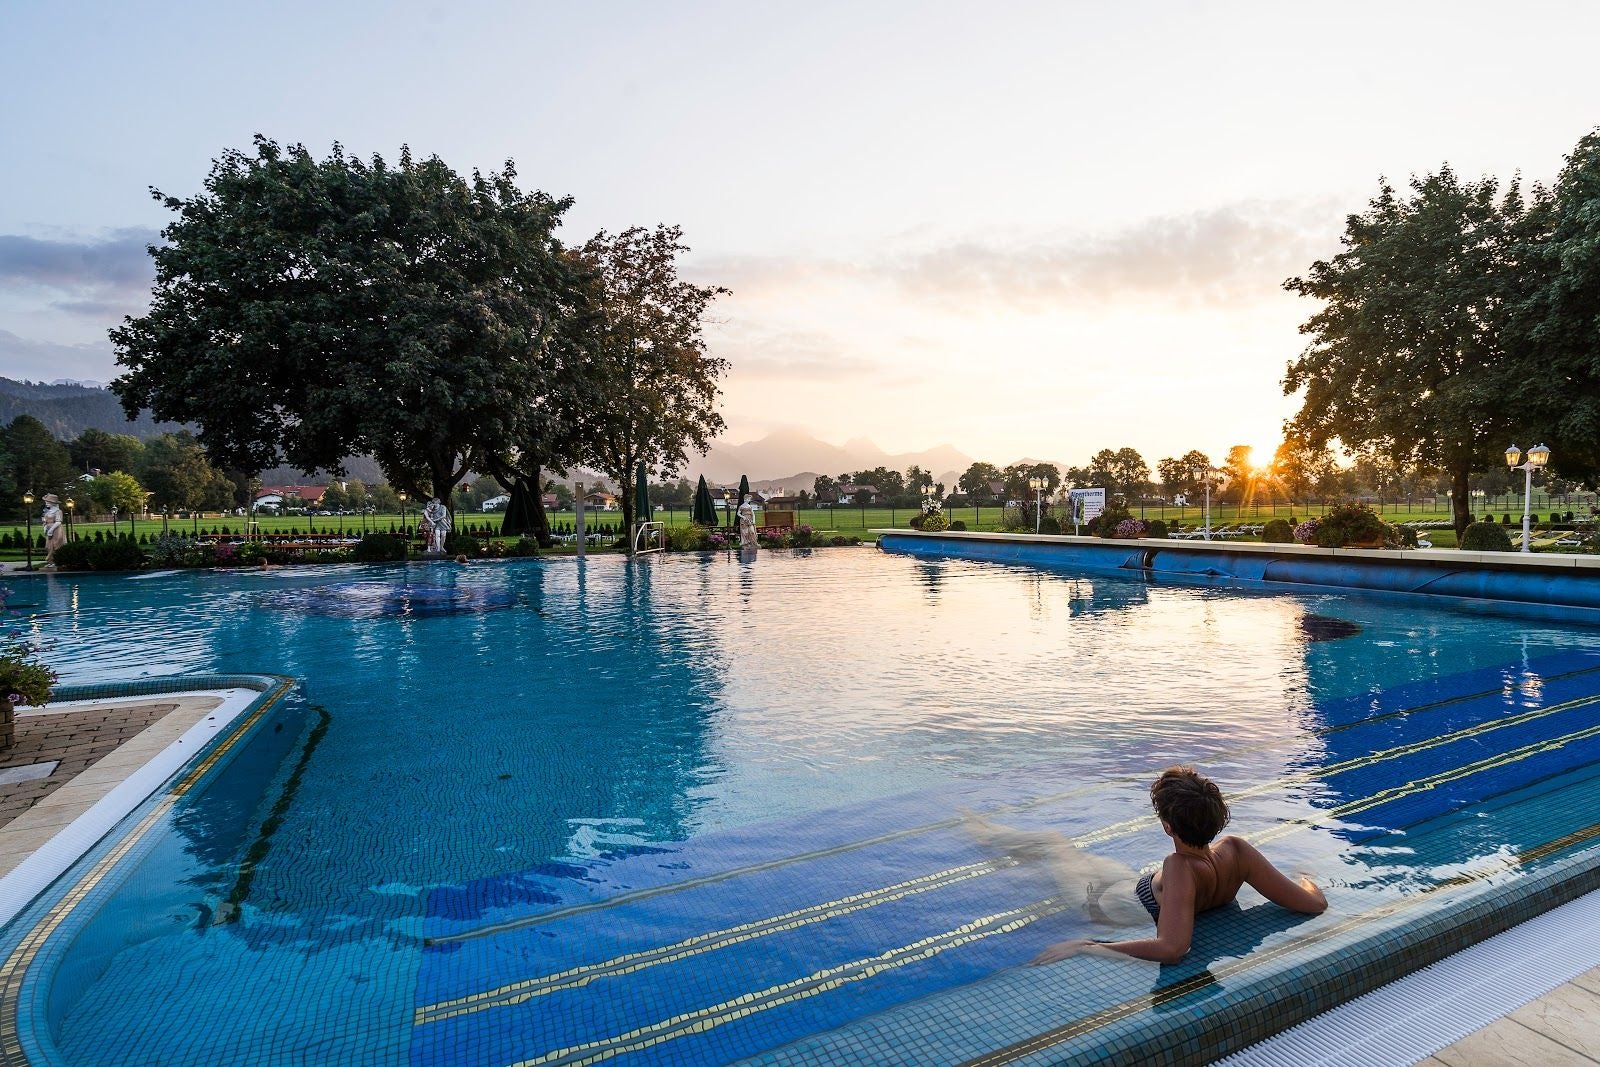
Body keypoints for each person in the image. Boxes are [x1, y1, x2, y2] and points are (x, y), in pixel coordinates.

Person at [1028, 766, 1326, 965]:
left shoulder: (1179, 866)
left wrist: (1088, 946)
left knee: (1050, 843)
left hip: (1108, 904)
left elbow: (1171, 948)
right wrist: (1305, 878)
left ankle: (979, 828)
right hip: (1134, 887)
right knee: (1060, 848)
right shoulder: (1238, 850)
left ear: (1168, 827)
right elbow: (1313, 903)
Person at [41, 494, 66, 566]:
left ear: (53, 503)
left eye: (48, 502)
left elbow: (58, 522)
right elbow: (44, 521)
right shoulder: (47, 512)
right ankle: (50, 561)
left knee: (57, 545)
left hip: (56, 530)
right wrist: (45, 528)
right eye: (46, 502)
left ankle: (57, 561)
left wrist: (51, 530)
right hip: (49, 530)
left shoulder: (58, 511)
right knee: (49, 546)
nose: (46, 504)